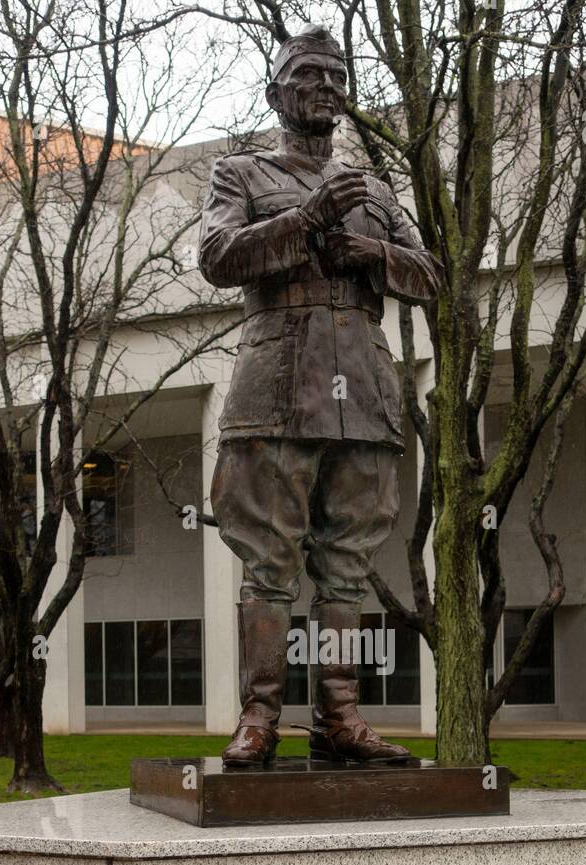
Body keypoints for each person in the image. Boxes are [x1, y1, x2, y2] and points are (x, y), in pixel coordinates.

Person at [199, 24, 442, 767]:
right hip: (277, 389)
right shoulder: (240, 174)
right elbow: (216, 257)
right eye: (310, 74)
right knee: (269, 562)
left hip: (362, 395)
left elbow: (434, 276)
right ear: (277, 92)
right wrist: (305, 220)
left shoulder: (375, 190)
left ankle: (340, 715)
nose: (327, 86)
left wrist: (377, 253)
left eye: (337, 76)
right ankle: (259, 718)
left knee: (347, 564)